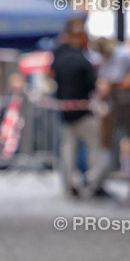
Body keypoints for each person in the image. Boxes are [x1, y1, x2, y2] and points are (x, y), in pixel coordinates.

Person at [51, 18, 109, 199]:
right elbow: (94, 87)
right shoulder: (83, 61)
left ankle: (72, 184)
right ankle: (93, 182)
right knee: (94, 149)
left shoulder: (59, 57)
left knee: (68, 150)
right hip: (84, 113)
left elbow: (53, 78)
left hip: (67, 113)